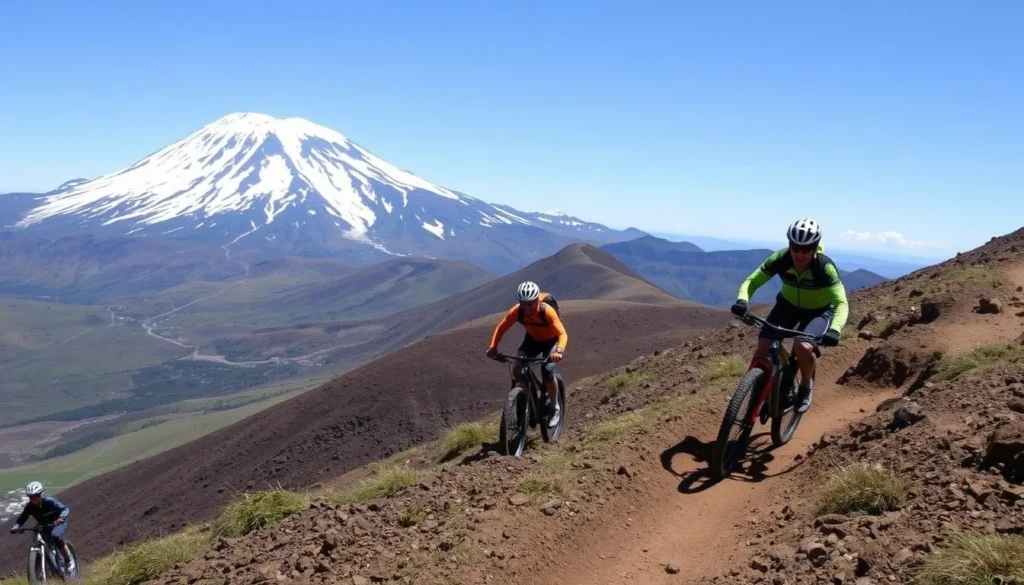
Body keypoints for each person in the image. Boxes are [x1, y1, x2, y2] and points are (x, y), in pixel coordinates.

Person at [731, 218, 848, 414]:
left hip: (818, 311)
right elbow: (752, 281)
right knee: (763, 347)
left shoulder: (824, 267)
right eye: (796, 249)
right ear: (790, 246)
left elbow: (841, 302)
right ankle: (755, 392)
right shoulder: (781, 259)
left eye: (805, 250)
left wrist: (835, 330)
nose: (799, 255)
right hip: (787, 306)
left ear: (814, 248)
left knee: (802, 346)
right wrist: (742, 300)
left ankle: (805, 386)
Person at [487, 281, 567, 427]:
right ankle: (523, 399)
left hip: (551, 341)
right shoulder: (517, 311)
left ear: (537, 300)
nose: (527, 307)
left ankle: (555, 407)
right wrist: (493, 348)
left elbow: (562, 333)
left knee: (547, 370)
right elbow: (501, 328)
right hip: (532, 340)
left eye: (531, 303)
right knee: (517, 368)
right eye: (524, 303)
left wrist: (559, 351)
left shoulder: (546, 311)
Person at [8, 481, 74, 573]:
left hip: (58, 523)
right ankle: (47, 563)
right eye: (31, 497)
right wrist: (16, 526)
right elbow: (22, 518)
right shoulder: (29, 507)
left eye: (36, 496)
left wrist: (61, 518)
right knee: (42, 539)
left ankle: (68, 560)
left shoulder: (49, 501)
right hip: (44, 525)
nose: (33, 499)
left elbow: (65, 509)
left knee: (55, 536)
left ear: (41, 494)